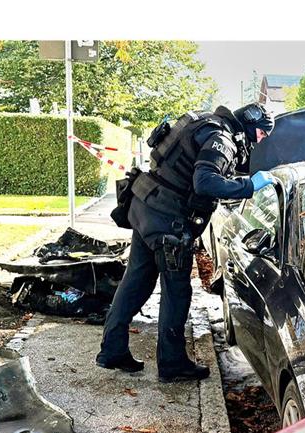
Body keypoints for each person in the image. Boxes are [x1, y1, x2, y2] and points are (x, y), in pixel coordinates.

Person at [96, 103, 275, 382]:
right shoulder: (223, 140)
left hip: (145, 207)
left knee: (134, 282)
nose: (261, 140)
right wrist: (250, 186)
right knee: (177, 293)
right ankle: (172, 364)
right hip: (169, 223)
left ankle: (111, 350)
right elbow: (204, 182)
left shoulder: (203, 121)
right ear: (250, 125)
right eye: (262, 134)